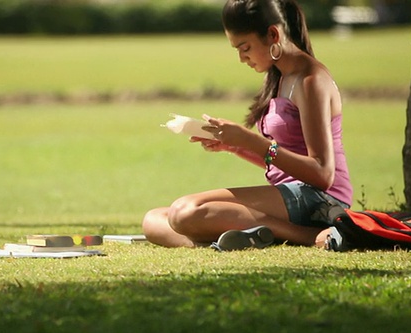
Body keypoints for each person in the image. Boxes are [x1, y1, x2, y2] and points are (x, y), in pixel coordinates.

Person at [142, 0, 353, 249]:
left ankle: (304, 237)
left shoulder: (311, 81)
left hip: (321, 200)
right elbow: (284, 160)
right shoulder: (281, 78)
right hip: (291, 193)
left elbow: (322, 174)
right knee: (154, 220)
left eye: (245, 47)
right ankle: (239, 239)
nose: (242, 58)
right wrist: (236, 146)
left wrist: (250, 140)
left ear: (273, 34)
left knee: (184, 212)